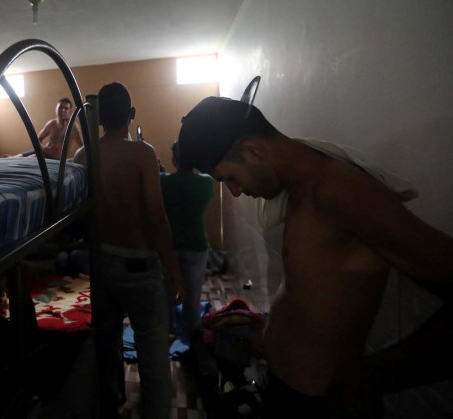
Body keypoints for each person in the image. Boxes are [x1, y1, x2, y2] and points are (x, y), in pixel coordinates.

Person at [176, 96, 453, 418]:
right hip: (291, 388)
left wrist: (373, 376)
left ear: (254, 150)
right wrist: (270, 331)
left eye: (229, 178)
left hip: (321, 402)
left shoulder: (338, 189)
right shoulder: (302, 188)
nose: (235, 192)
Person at [73, 82, 186, 419]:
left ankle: (109, 408)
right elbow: (156, 216)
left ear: (99, 117)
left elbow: (82, 216)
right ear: (131, 114)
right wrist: (174, 271)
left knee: (106, 349)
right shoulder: (143, 153)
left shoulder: (83, 155)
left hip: (102, 263)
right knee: (152, 355)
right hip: (139, 266)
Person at [160, 141, 215, 347]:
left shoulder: (162, 181)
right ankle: (193, 331)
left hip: (169, 245)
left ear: (174, 159)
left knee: (166, 290)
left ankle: (167, 330)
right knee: (193, 292)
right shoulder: (206, 182)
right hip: (196, 245)